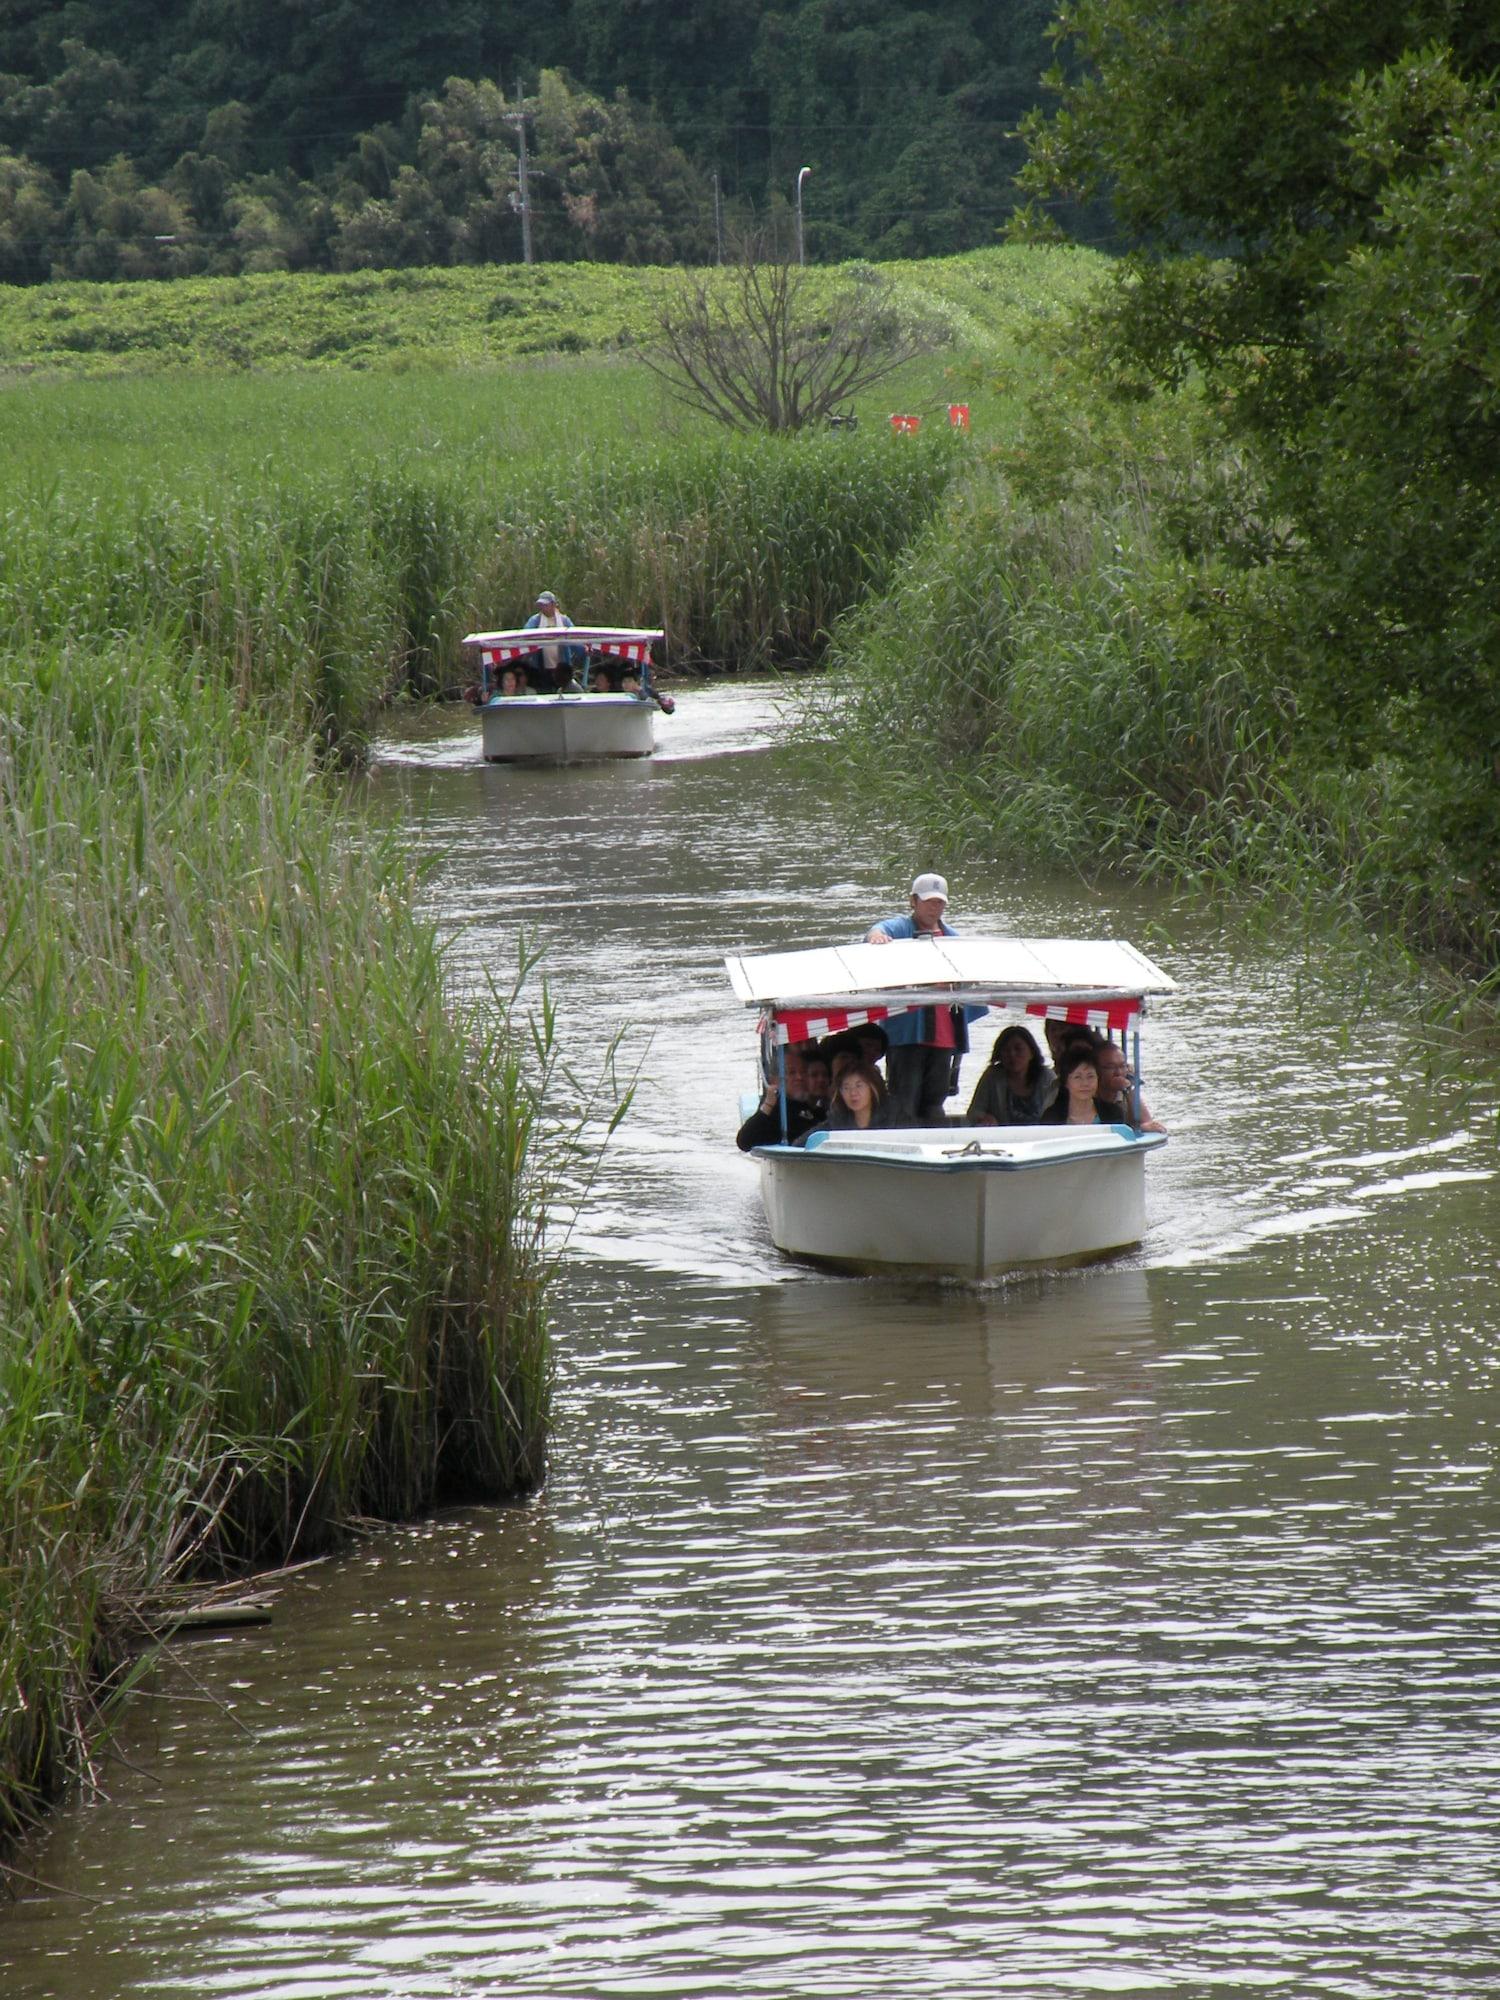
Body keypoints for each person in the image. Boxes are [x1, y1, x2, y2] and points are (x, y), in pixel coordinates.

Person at [863, 873, 983, 1122]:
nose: (934, 907)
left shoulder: (953, 939)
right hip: (906, 1035)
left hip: (943, 1036)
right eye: (929, 901)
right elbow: (877, 930)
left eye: (939, 902)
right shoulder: (900, 928)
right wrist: (875, 937)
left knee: (934, 1101)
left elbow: (971, 981)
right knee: (903, 1100)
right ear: (914, 901)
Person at [736, 1044, 823, 1151]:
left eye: (803, 1072)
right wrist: (768, 1105)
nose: (799, 1077)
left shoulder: (813, 1105)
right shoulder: (776, 1111)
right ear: (775, 1080)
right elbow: (744, 1141)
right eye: (791, 1073)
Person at [965, 1024, 1055, 1125]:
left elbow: (1062, 1113)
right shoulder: (992, 1076)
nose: (1012, 1054)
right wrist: (985, 1118)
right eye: (1006, 1050)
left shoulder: (1047, 1077)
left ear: (1032, 1053)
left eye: (1018, 1049)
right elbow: (973, 1112)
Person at [799, 1061, 897, 1144]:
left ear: (873, 1088)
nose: (853, 1093)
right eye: (846, 1088)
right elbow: (801, 1144)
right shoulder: (836, 1122)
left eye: (859, 1086)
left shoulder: (894, 1118)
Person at [1094, 1040, 1166, 1133]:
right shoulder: (1086, 1092)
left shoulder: (1127, 1092)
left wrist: (1128, 1089)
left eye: (1122, 1066)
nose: (1118, 1073)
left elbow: (1147, 1122)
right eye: (1110, 1067)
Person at [523, 591, 584, 691]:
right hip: (541, 667)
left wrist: (583, 649)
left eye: (546, 605)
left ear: (553, 605)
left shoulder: (564, 621)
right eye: (541, 605)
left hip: (561, 669)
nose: (543, 608)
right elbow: (525, 635)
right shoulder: (535, 621)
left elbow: (575, 638)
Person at [1041, 1045, 1115, 1126]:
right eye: (1077, 1077)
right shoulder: (1052, 1117)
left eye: (1090, 1076)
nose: (1085, 1083)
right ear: (1066, 1082)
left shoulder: (1112, 1113)